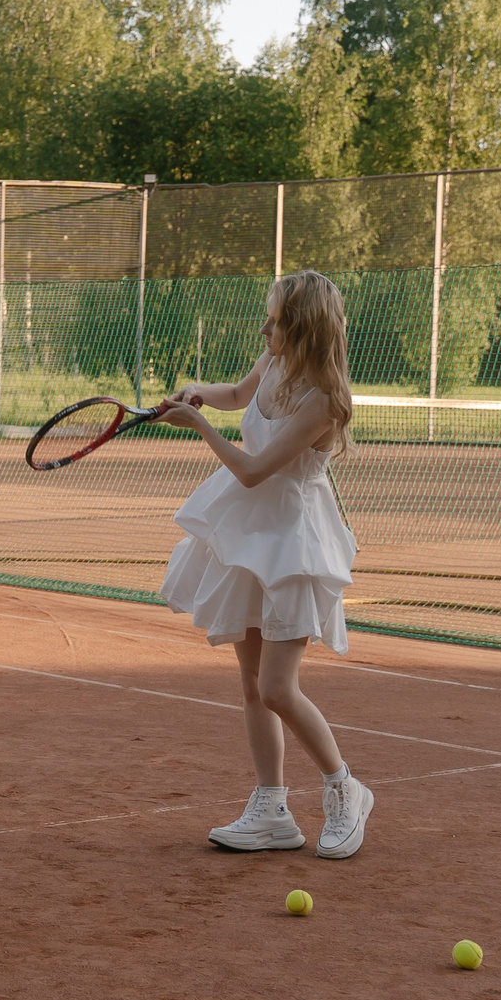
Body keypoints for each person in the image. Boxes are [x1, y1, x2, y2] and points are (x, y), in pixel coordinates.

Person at [153, 270, 374, 859]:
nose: (265, 326)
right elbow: (238, 395)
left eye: (274, 319)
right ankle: (272, 809)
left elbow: (253, 470)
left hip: (294, 540)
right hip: (251, 534)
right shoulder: (274, 362)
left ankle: (345, 790)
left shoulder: (323, 402)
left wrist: (196, 426)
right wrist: (199, 392)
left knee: (278, 685)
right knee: (252, 683)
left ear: (301, 328)